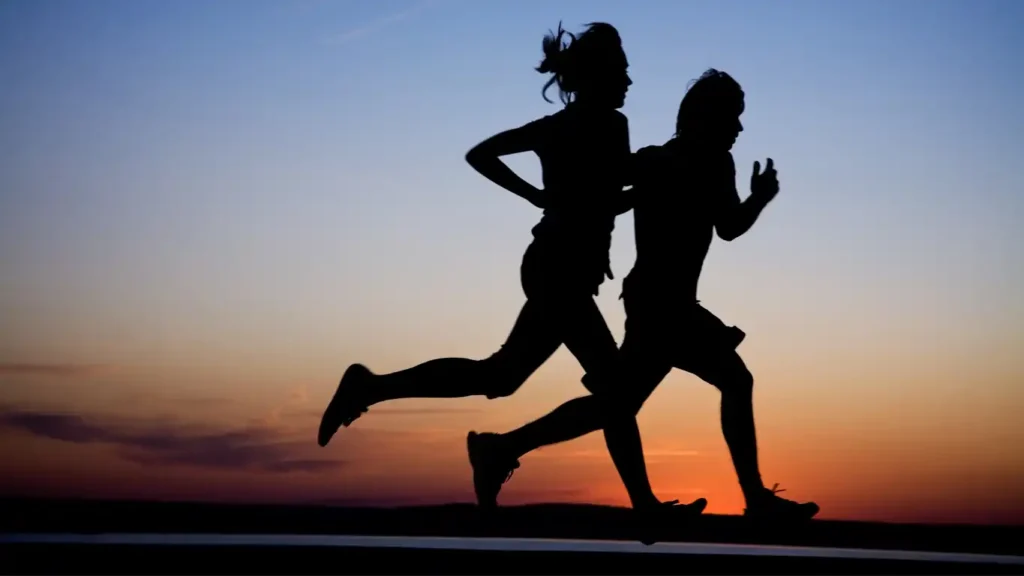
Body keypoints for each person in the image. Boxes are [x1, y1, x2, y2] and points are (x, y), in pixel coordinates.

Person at [318, 27, 698, 520]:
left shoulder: (589, 126)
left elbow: (600, 191)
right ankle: (642, 507)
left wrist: (621, 183)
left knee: (501, 376)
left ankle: (375, 390)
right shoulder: (585, 127)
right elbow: (495, 160)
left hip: (563, 270)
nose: (629, 79)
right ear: (597, 76)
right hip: (557, 269)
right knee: (616, 390)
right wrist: (558, 193)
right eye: (621, 71)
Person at [465, 70, 819, 533]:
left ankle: (502, 448)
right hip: (659, 306)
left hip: (664, 303)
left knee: (617, 404)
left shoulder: (700, 163)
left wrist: (757, 198)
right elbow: (604, 189)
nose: (739, 128)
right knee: (730, 380)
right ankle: (754, 499)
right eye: (733, 117)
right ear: (707, 116)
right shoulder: (665, 162)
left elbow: (726, 225)